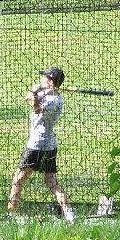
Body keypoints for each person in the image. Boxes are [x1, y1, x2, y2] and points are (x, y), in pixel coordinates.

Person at [8, 67, 74, 222]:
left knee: (18, 180)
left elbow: (36, 108)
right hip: (50, 145)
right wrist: (37, 92)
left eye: (44, 78)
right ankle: (69, 214)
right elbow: (28, 97)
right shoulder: (51, 96)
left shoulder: (55, 101)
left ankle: (10, 215)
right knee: (52, 183)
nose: (41, 79)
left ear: (50, 82)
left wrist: (34, 95)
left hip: (37, 146)